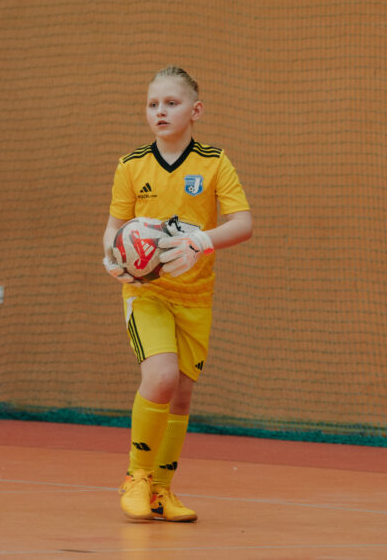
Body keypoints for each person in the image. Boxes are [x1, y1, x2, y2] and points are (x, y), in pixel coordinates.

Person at [102, 66, 253, 522]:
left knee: (182, 395)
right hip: (147, 293)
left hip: (196, 296)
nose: (160, 111)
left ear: (196, 110)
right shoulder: (131, 165)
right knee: (161, 377)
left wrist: (199, 242)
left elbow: (243, 224)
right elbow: (114, 228)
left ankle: (161, 491)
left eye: (171, 103)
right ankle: (136, 477)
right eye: (153, 104)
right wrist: (113, 258)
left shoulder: (214, 162)